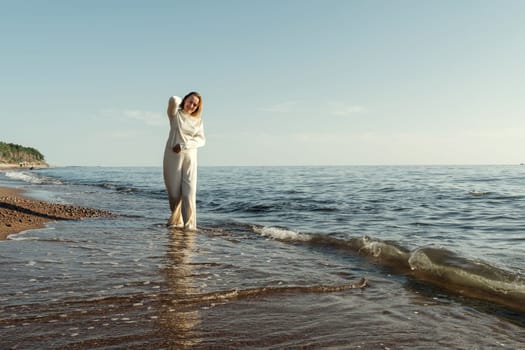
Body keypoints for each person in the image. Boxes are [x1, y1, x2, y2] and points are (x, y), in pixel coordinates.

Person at [163, 92, 205, 230]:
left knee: (189, 193)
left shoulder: (198, 121)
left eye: (195, 104)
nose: (192, 105)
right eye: (190, 101)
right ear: (185, 99)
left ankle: (190, 227)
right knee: (174, 194)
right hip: (173, 157)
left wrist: (184, 145)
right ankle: (177, 221)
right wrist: (181, 102)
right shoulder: (175, 114)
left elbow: (201, 140)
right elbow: (173, 100)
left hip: (190, 157)